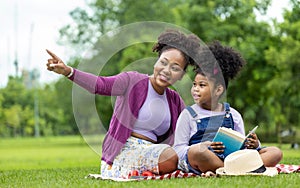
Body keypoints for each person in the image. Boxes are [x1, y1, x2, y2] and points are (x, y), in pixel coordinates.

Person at [46, 29, 201, 178]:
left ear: (181, 75)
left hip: (155, 151)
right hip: (124, 152)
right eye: (163, 62)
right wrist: (68, 71)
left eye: (175, 68)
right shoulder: (132, 81)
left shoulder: (174, 100)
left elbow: (190, 131)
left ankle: (151, 172)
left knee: (180, 155)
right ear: (156, 62)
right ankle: (145, 172)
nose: (166, 70)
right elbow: (100, 85)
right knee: (170, 157)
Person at [173, 41, 283, 176]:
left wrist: (254, 144)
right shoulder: (188, 114)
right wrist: (203, 146)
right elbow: (178, 150)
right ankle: (237, 170)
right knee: (197, 153)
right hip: (206, 159)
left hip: (233, 159)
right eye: (194, 84)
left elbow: (242, 148)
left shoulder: (232, 114)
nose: (195, 89)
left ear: (218, 90)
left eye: (202, 85)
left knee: (275, 152)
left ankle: (228, 170)